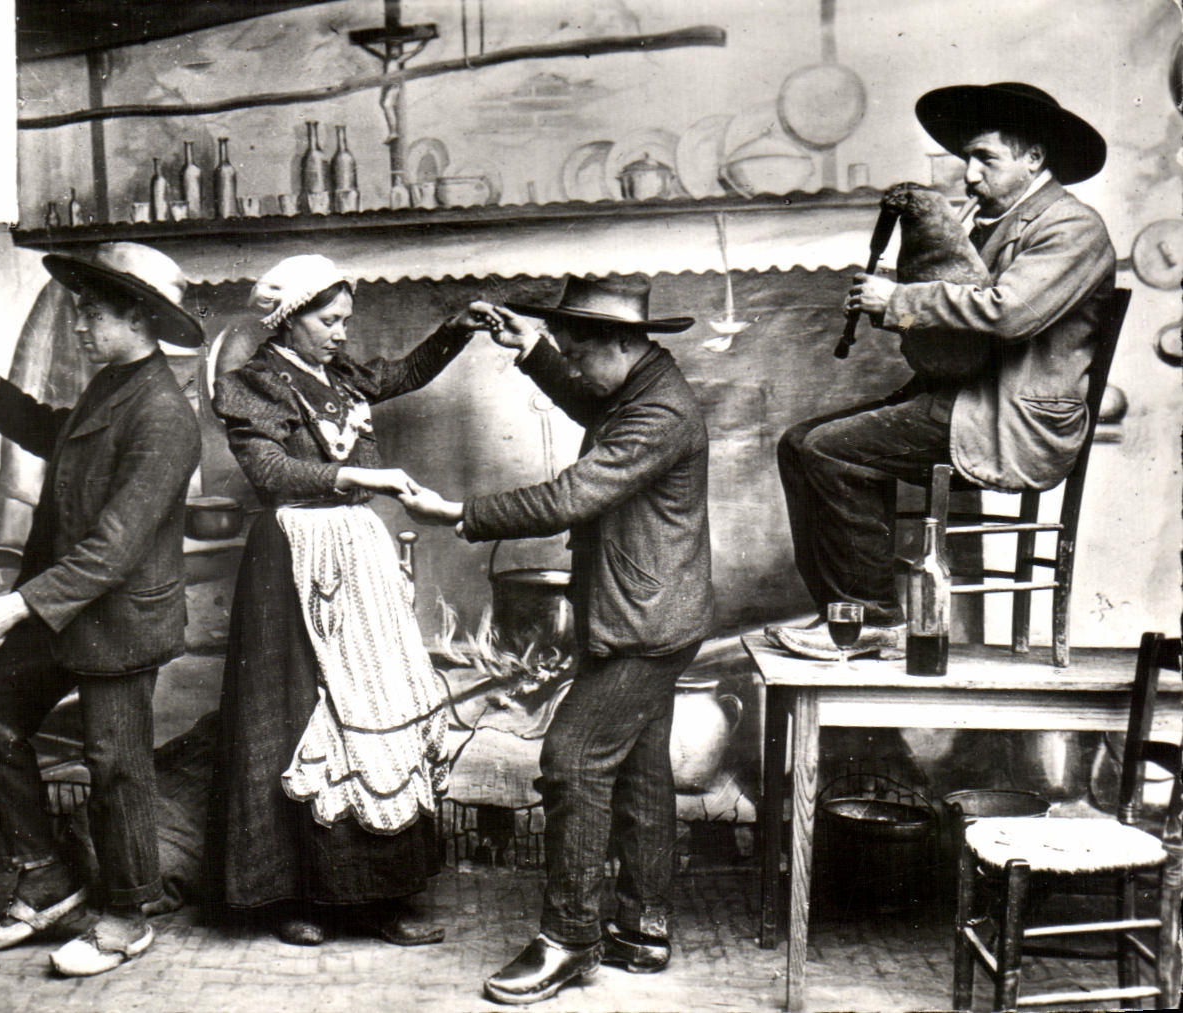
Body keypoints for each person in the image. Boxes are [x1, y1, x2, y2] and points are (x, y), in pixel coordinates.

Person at [402, 276, 713, 1005]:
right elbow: (594, 399)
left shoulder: (660, 412)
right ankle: (643, 924)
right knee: (638, 770)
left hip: (645, 626)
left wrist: (460, 511)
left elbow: (572, 495)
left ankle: (570, 938)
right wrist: (535, 349)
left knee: (571, 760)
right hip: (654, 612)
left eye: (579, 352)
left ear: (623, 343)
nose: (573, 367)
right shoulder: (639, 383)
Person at [769, 82, 1116, 659]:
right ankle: (844, 615)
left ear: (1034, 158)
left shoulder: (1072, 228)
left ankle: (876, 621)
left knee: (828, 452)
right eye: (966, 160)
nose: (970, 175)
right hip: (965, 400)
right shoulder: (994, 224)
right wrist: (895, 300)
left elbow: (1009, 314)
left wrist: (901, 300)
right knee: (798, 442)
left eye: (986, 158)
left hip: (1010, 421)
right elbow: (959, 324)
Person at [206, 254, 492, 947]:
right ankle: (294, 895)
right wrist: (366, 474)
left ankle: (376, 895)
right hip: (292, 562)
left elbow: (402, 374)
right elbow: (272, 472)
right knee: (298, 718)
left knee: (373, 707)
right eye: (329, 321)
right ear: (288, 321)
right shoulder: (252, 386)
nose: (341, 333)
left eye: (345, 321)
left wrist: (458, 328)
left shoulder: (338, 376)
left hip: (355, 554)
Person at [0, 243, 203, 978]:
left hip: (115, 620)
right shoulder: (113, 385)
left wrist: (16, 605)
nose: (80, 323)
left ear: (138, 317)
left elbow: (116, 547)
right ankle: (48, 877)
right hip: (65, 608)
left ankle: (127, 915)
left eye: (91, 311)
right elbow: (68, 439)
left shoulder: (165, 414)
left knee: (115, 766)